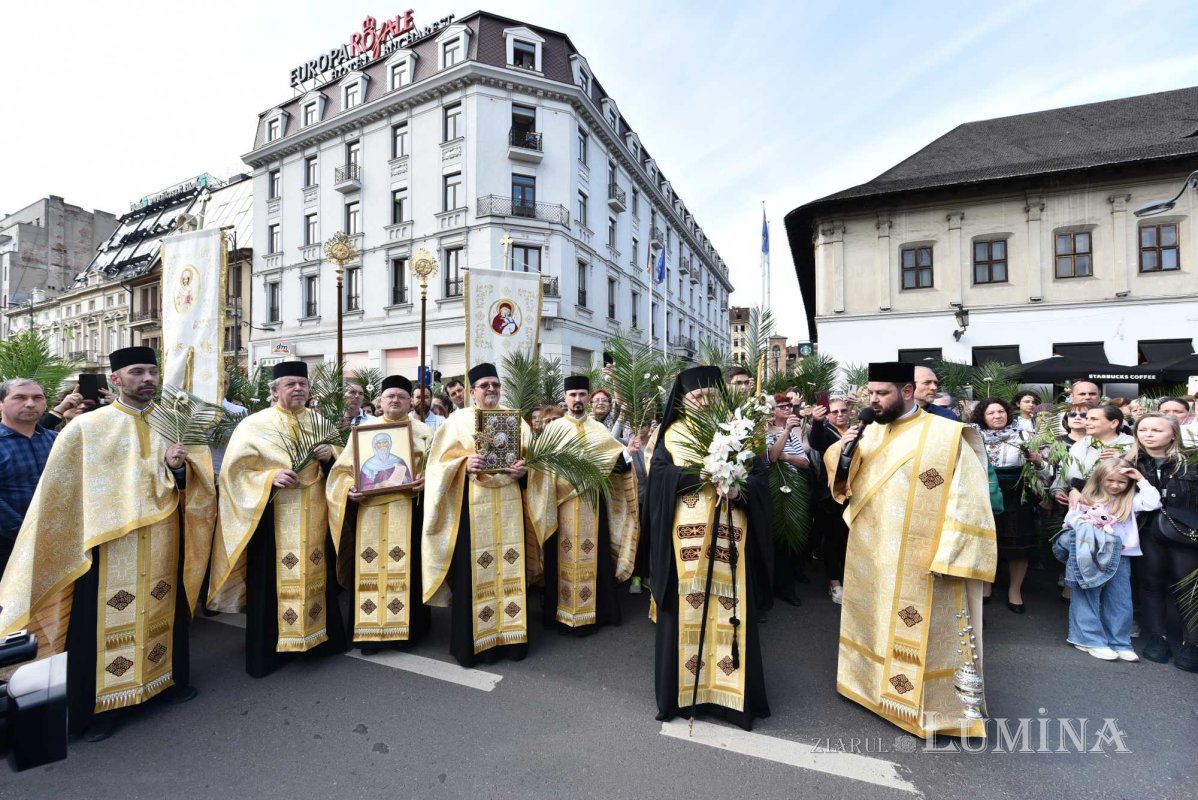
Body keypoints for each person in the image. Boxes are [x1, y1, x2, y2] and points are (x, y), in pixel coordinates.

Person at [0, 347, 217, 741]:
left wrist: (178, 469)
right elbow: (61, 495)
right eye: (137, 372)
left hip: (164, 538)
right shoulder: (86, 428)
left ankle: (165, 681)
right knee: (102, 622)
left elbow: (198, 485)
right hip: (109, 545)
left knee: (162, 609)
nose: (147, 379)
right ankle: (102, 707)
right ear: (116, 379)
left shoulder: (175, 424)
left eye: (152, 372)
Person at [823, 362, 996, 739]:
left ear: (906, 391)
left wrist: (953, 553)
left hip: (921, 555)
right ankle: (867, 688)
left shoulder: (946, 435)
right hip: (870, 551)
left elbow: (969, 497)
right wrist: (843, 451)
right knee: (872, 619)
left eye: (882, 393)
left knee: (920, 630)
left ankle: (926, 709)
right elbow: (841, 476)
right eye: (870, 393)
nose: (873, 400)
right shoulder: (868, 432)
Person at [645, 366, 771, 731]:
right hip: (683, 544)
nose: (703, 402)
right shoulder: (670, 435)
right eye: (697, 397)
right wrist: (697, 475)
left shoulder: (737, 431)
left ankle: (730, 699)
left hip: (731, 539)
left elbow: (760, 480)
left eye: (710, 397)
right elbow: (658, 480)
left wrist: (737, 490)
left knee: (730, 611)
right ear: (683, 401)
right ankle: (685, 695)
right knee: (685, 612)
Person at [209, 361, 346, 678]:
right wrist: (268, 477)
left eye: (303, 383)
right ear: (275, 391)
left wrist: (331, 456)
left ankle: (317, 641)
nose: (298, 388)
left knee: (317, 574)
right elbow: (233, 474)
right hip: (272, 518)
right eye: (290, 384)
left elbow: (344, 466)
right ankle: (271, 650)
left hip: (315, 517)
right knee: (271, 582)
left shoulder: (320, 422)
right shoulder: (254, 425)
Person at [421, 363, 541, 667]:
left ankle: (512, 640)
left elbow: (536, 462)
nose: (491, 389)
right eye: (484, 385)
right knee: (475, 573)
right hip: (472, 508)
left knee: (510, 567)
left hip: (510, 506)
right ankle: (474, 644)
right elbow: (436, 467)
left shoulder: (516, 419)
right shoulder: (457, 421)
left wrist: (525, 470)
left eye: (495, 384)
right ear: (472, 391)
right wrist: (463, 464)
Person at [327, 375, 433, 653]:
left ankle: (406, 633)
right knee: (369, 568)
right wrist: (349, 489)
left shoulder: (423, 432)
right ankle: (370, 634)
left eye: (401, 396)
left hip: (408, 511)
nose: (395, 400)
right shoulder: (364, 432)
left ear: (411, 402)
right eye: (390, 396)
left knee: (408, 570)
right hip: (369, 513)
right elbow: (342, 471)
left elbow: (437, 468)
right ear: (381, 402)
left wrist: (427, 479)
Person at [534, 375, 640, 636]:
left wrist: (628, 454)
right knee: (560, 557)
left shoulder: (598, 429)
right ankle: (560, 614)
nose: (577, 399)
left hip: (593, 506)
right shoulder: (554, 430)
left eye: (582, 394)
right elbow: (542, 471)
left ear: (587, 397)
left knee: (595, 555)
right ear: (565, 398)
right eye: (573, 395)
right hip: (562, 506)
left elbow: (615, 464)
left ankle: (595, 612)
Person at [1058, 459, 1159, 661]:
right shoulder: (1086, 497)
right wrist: (1087, 521)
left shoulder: (1130, 500)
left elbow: (1153, 501)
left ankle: (1120, 642)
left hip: (1120, 555)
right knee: (1087, 593)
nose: (1115, 485)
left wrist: (1140, 478)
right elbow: (1070, 518)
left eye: (1121, 482)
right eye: (1110, 480)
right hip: (1089, 552)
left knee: (1121, 599)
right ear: (1100, 479)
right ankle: (1088, 639)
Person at [1129, 413, 1198, 671]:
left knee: (1187, 586)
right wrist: (1075, 489)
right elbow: (1103, 485)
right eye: (1143, 429)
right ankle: (1157, 637)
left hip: (1185, 530)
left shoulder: (1191, 461)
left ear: (1173, 434)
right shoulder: (1129, 460)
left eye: (1156, 430)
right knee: (1151, 583)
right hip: (1146, 529)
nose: (1148, 434)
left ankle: (1192, 644)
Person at [970, 398, 1044, 613]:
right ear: (982, 416)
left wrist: (1036, 460)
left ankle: (1015, 591)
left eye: (1001, 411)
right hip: (984, 493)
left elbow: (1044, 469)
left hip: (1016, 493)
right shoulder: (973, 437)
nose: (997, 416)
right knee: (986, 541)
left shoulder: (1024, 435)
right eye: (991, 413)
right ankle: (986, 585)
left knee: (1018, 545)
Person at [0, 379, 60, 577]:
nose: (30, 403)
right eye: (20, 397)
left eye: (37, 398)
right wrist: (25, 534)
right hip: (7, 547)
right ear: (1, 404)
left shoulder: (58, 440)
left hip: (56, 542)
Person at [807, 396, 853, 604]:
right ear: (828, 415)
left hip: (856, 493)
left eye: (843, 410)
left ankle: (850, 578)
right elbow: (816, 442)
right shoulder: (826, 432)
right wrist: (817, 422)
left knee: (850, 540)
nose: (840, 414)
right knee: (833, 539)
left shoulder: (859, 431)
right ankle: (834, 583)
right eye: (835, 412)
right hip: (831, 496)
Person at [765, 393, 808, 608]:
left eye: (788, 405)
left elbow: (805, 462)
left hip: (794, 488)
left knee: (789, 538)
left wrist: (787, 457)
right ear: (772, 411)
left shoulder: (792, 433)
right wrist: (787, 431)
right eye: (781, 406)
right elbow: (772, 457)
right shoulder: (764, 431)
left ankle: (787, 587)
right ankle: (773, 586)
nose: (787, 409)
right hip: (773, 488)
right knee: (775, 539)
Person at [1057, 405, 1134, 493]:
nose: (1086, 423)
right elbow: (1062, 471)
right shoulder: (1080, 444)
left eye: (1093, 419)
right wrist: (1058, 490)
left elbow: (1139, 476)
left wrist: (1122, 459)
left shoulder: (1131, 445)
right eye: (1087, 418)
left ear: (1113, 423)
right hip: (1076, 497)